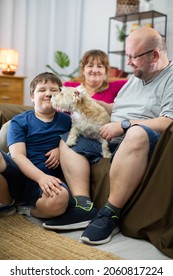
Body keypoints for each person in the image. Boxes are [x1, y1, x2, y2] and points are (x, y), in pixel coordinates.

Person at [43, 27, 173, 245]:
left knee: (137, 133)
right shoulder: (137, 76)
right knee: (68, 138)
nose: (128, 63)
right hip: (111, 138)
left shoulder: (169, 79)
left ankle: (110, 214)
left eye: (133, 57)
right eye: (127, 56)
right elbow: (119, 107)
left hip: (140, 142)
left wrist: (123, 125)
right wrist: (93, 104)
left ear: (155, 55)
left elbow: (168, 121)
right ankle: (83, 206)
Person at [0, 72, 73, 218]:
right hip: (17, 175)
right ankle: (7, 202)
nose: (48, 94)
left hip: (45, 183)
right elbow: (18, 156)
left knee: (60, 199)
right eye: (42, 90)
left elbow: (77, 142)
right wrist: (41, 177)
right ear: (32, 97)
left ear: (60, 95)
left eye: (53, 90)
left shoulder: (67, 121)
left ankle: (25, 209)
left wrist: (61, 148)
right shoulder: (19, 121)